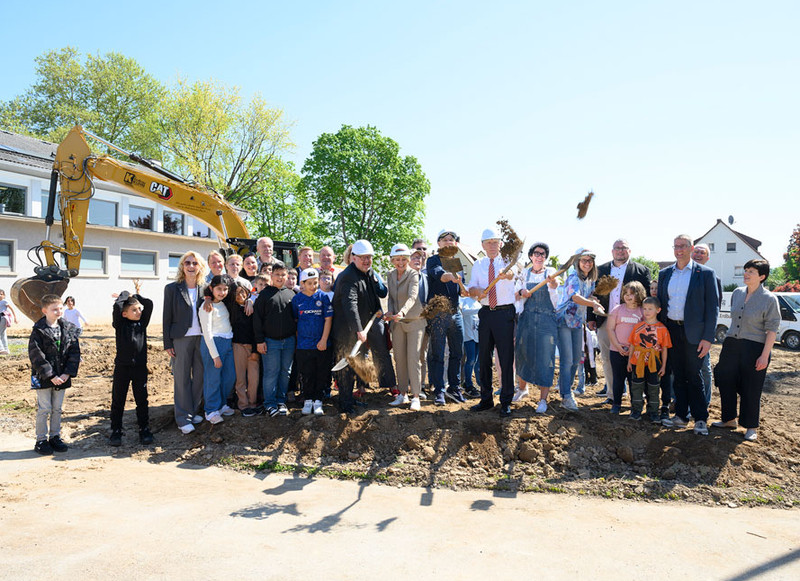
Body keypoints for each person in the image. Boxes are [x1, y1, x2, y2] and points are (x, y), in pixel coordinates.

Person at [657, 235, 719, 436]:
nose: (679, 250)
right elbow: (660, 303)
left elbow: (713, 308)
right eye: (676, 246)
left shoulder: (706, 274)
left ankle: (700, 418)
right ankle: (681, 417)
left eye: (683, 246)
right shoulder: (665, 274)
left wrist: (708, 337)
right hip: (671, 331)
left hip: (695, 334)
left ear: (691, 248)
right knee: (679, 376)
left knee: (694, 375)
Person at [712, 260, 780, 442]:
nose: (746, 274)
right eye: (746, 270)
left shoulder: (769, 299)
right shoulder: (737, 293)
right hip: (732, 344)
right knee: (725, 379)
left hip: (755, 347)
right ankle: (728, 419)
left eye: (751, 271)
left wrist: (764, 356)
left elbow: (772, 330)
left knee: (751, 386)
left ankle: (750, 426)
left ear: (762, 276)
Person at [331, 240, 397, 414]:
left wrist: (375, 280)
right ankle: (345, 404)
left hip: (365, 322)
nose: (367, 261)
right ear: (353, 258)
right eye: (363, 258)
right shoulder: (347, 277)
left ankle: (351, 400)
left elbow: (382, 293)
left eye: (369, 257)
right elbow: (349, 304)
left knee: (357, 362)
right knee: (347, 366)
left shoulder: (369, 273)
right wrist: (358, 329)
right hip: (347, 328)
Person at [587, 239, 651, 400]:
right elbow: (592, 295)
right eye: (617, 248)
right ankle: (613, 394)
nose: (620, 251)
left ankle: (636, 394)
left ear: (629, 251)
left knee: (635, 357)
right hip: (605, 320)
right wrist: (590, 317)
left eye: (624, 248)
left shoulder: (641, 270)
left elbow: (647, 297)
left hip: (633, 322)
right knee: (607, 358)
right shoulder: (600, 270)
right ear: (612, 251)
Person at [468, 228, 519, 417]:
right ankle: (486, 399)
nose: (492, 245)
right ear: (482, 245)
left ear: (500, 244)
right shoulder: (478, 264)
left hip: (504, 314)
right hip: (485, 314)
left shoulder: (507, 262)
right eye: (488, 242)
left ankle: (506, 401)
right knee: (483, 358)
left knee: (506, 359)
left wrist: (506, 275)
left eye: (495, 242)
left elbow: (513, 273)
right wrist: (477, 291)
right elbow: (472, 286)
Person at [28, 294, 81, 455]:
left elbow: (74, 352)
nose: (59, 312)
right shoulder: (38, 331)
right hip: (44, 377)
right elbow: (36, 355)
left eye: (60, 308)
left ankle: (55, 437)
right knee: (44, 408)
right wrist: (51, 375)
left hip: (62, 376)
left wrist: (67, 374)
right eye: (54, 309)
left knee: (57, 408)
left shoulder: (68, 329)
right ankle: (41, 440)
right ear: (45, 311)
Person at [163, 251, 208, 435]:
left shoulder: (205, 288)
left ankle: (192, 410)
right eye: (187, 263)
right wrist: (168, 343)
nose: (191, 266)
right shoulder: (172, 289)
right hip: (180, 338)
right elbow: (167, 317)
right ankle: (183, 418)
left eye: (194, 263)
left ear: (200, 267)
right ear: (182, 266)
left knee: (199, 377)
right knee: (181, 379)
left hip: (201, 338)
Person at [555, 249, 604, 411]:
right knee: (567, 359)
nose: (587, 263)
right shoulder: (573, 277)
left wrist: (593, 299)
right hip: (564, 321)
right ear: (577, 262)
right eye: (583, 260)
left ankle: (566, 392)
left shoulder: (590, 280)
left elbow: (586, 297)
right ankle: (566, 395)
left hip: (577, 323)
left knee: (576, 359)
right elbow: (575, 297)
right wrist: (593, 304)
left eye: (590, 260)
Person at [513, 242, 559, 414]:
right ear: (531, 256)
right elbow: (515, 295)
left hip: (547, 320)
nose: (539, 257)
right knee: (523, 353)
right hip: (527, 319)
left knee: (545, 358)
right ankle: (522, 389)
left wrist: (553, 284)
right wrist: (521, 294)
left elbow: (555, 296)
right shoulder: (523, 274)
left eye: (543, 254)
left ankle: (543, 400)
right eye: (536, 253)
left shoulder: (551, 273)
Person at [110, 281, 154, 446]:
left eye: (139, 309)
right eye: (134, 310)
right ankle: (116, 430)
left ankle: (144, 429)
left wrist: (136, 297)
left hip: (140, 368)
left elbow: (149, 304)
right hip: (122, 368)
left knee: (142, 400)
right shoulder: (119, 325)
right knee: (118, 400)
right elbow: (117, 307)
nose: (138, 312)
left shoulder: (142, 324)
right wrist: (126, 294)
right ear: (124, 314)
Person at [427, 229, 467, 405]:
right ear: (439, 244)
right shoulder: (433, 260)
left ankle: (454, 388)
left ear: (456, 244)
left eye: (452, 240)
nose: (449, 242)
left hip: (455, 312)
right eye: (445, 240)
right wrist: (453, 276)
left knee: (457, 353)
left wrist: (464, 288)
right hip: (438, 314)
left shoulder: (457, 263)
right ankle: (439, 390)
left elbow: (462, 290)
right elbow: (441, 277)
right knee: (438, 353)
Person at [253, 261, 297, 417]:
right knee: (271, 372)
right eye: (277, 274)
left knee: (286, 372)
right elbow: (257, 320)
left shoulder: (291, 294)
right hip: (270, 342)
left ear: (287, 276)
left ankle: (280, 401)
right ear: (271, 275)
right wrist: (260, 341)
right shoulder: (264, 295)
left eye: (283, 274)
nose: (280, 277)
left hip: (289, 341)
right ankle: (269, 404)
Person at [386, 243, 425, 411]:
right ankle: (402, 394)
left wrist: (401, 312)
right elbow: (391, 298)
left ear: (408, 260)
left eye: (403, 259)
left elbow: (412, 296)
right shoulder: (390, 275)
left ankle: (415, 396)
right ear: (392, 260)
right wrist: (390, 311)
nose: (400, 263)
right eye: (397, 259)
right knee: (399, 359)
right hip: (397, 323)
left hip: (415, 321)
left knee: (413, 359)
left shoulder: (413, 275)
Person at [292, 268, 333, 415]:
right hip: (303, 345)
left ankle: (318, 401)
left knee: (321, 373)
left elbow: (328, 320)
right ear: (302, 283)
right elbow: (296, 321)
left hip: (321, 345)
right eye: (309, 283)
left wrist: (323, 340)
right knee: (306, 373)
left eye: (315, 282)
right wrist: (299, 340)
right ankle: (308, 400)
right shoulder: (297, 300)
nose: (313, 286)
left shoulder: (323, 297)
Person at [199, 275, 237, 424]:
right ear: (211, 289)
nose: (222, 292)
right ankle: (211, 410)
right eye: (219, 289)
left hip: (227, 342)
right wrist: (215, 355)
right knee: (212, 378)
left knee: (229, 377)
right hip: (213, 344)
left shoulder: (223, 303)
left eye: (225, 289)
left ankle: (221, 405)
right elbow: (207, 332)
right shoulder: (206, 306)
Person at [627, 297, 672, 422]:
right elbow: (632, 344)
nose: (647, 312)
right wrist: (629, 361)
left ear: (658, 310)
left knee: (654, 387)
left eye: (650, 309)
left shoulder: (662, 329)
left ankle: (653, 412)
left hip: (654, 362)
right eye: (645, 309)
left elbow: (665, 349)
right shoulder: (638, 327)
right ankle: (636, 410)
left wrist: (663, 366)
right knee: (636, 386)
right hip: (637, 360)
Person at [606, 281, 646, 414]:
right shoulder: (617, 309)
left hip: (635, 352)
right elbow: (610, 329)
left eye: (632, 294)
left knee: (634, 379)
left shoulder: (642, 312)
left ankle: (635, 405)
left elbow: (645, 331)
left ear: (639, 295)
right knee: (618, 378)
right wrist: (618, 346)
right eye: (626, 294)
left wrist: (634, 349)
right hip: (617, 351)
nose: (628, 296)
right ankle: (616, 403)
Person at [691, 243, 723, 405]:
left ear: (707, 257)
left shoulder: (713, 277)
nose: (698, 254)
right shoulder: (683, 275)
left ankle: (705, 401)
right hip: (683, 332)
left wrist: (708, 335)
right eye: (696, 251)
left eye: (702, 253)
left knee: (704, 368)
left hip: (702, 334)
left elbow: (714, 309)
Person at [231, 284, 260, 417]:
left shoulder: (253, 309)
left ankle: (252, 403)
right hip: (238, 346)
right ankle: (243, 405)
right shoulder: (232, 309)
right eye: (237, 293)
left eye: (243, 293)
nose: (240, 296)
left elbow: (256, 330)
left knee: (253, 377)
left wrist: (255, 350)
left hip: (252, 347)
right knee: (240, 377)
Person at [0, 288, 18, 355]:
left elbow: (11, 309)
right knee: (3, 334)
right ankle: (6, 349)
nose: (0, 296)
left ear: (4, 295)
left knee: (0, 333)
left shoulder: (4, 301)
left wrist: (15, 317)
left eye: (1, 294)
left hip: (3, 317)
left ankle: (1, 349)